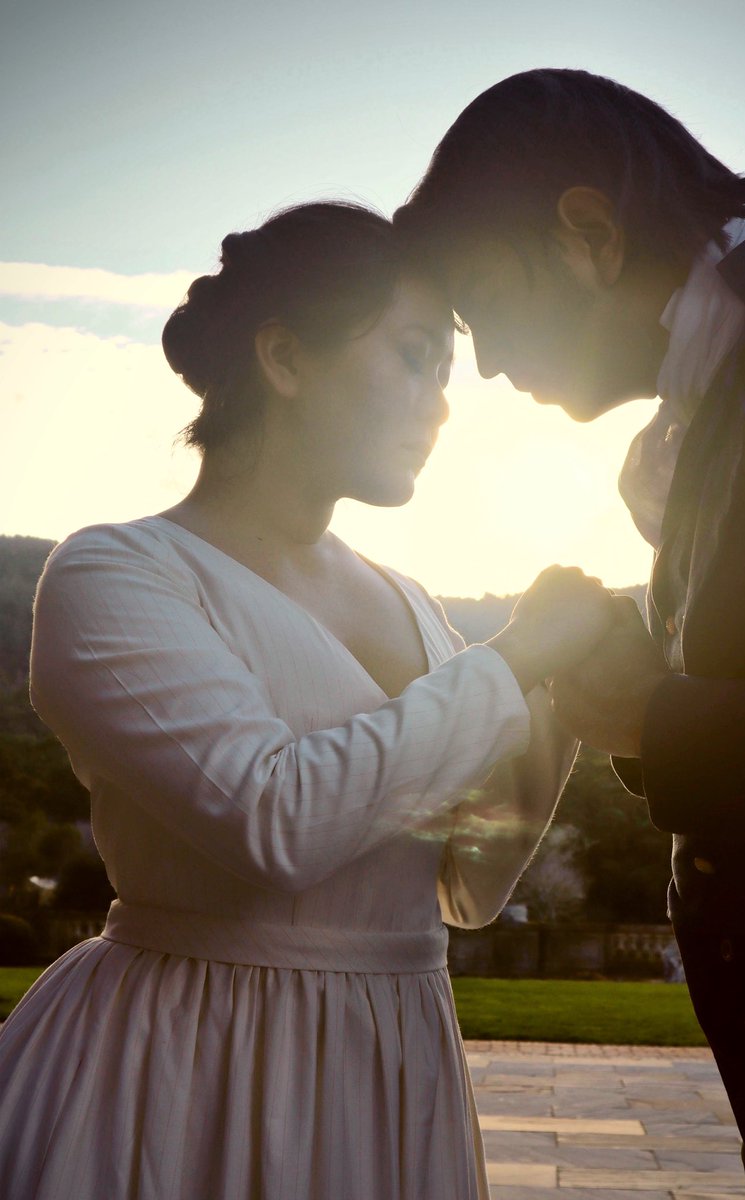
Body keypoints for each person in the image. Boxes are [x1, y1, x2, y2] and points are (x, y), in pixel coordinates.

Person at [394, 69, 745, 1198]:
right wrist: (646, 686)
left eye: (487, 298)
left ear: (588, 230)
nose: (493, 361)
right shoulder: (736, 376)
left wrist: (659, 717)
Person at [0, 200, 618, 1200]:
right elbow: (273, 820)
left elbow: (472, 881)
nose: (442, 404)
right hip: (189, 1066)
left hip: (393, 1064)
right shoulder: (117, 575)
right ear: (286, 359)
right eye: (417, 355)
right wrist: (515, 661)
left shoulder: (416, 605)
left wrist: (567, 691)